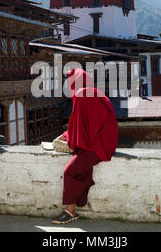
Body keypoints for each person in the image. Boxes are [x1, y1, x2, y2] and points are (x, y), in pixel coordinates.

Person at [52, 69, 119, 224]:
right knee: (82, 169)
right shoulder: (92, 93)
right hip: (103, 142)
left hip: (97, 145)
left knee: (70, 170)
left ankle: (70, 211)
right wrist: (67, 135)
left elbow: (81, 126)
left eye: (71, 83)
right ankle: (77, 204)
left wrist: (70, 140)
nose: (70, 88)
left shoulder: (83, 94)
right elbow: (84, 124)